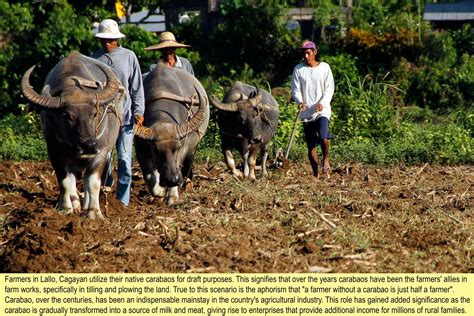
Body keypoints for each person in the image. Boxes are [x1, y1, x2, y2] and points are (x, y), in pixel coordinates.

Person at [91, 19, 145, 206]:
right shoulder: (93, 59)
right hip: (103, 118)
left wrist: (139, 110)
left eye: (111, 39)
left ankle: (123, 201)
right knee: (103, 159)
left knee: (124, 160)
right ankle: (106, 182)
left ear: (117, 39)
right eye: (104, 39)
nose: (107, 42)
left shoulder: (129, 56)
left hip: (126, 116)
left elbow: (136, 86)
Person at [291, 40, 334, 177]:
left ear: (315, 52)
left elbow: (329, 88)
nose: (306, 56)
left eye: (308, 53)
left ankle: (326, 159)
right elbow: (295, 89)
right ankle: (316, 174)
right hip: (306, 111)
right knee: (311, 146)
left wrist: (323, 102)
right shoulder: (299, 69)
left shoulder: (325, 68)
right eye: (304, 53)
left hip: (322, 109)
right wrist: (300, 101)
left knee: (323, 137)